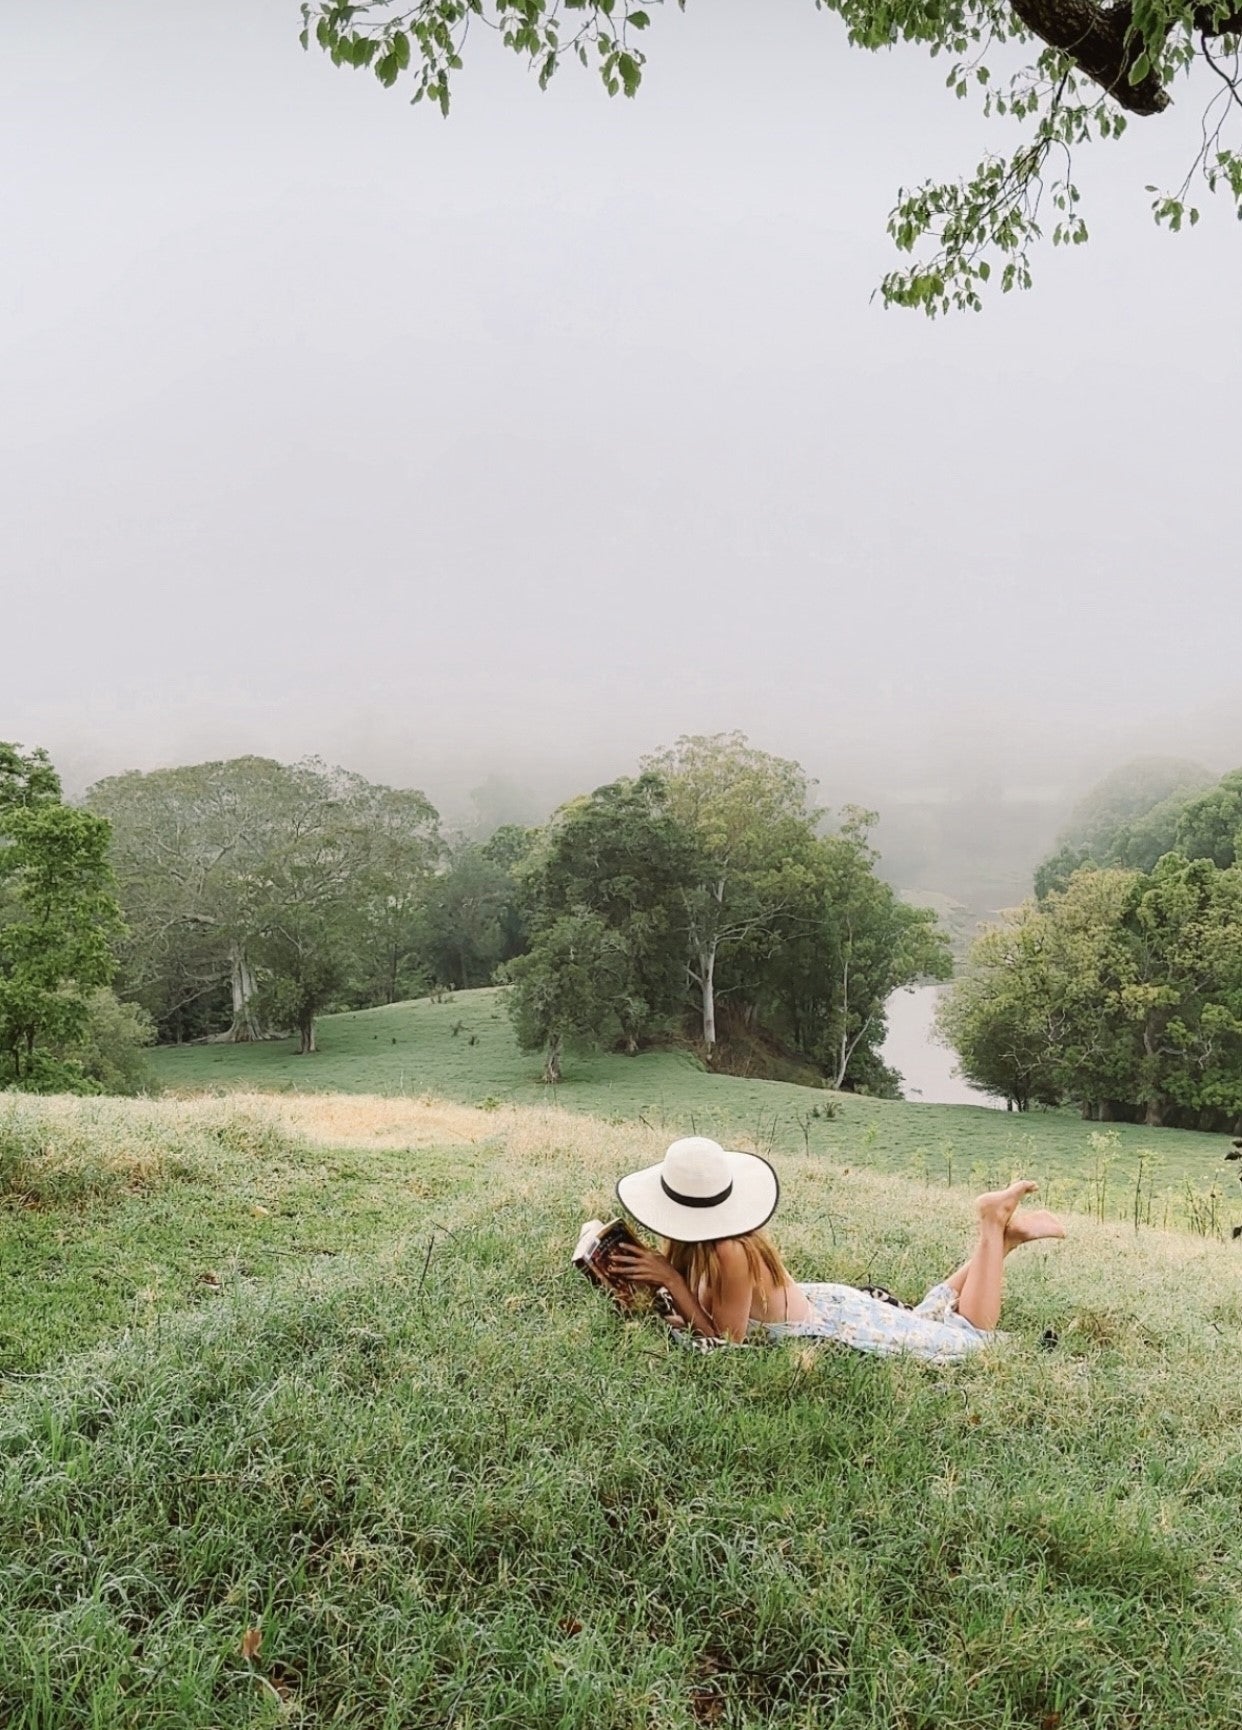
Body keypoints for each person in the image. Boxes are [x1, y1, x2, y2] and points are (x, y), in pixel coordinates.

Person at [606, 1135, 1065, 1364]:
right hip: (825, 1303)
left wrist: (669, 1281)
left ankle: (990, 1224)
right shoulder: (693, 1242)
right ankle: (1001, 1243)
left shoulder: (729, 1250)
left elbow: (727, 1344)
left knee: (972, 1341)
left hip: (835, 1321)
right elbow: (702, 1308)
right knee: (926, 1317)